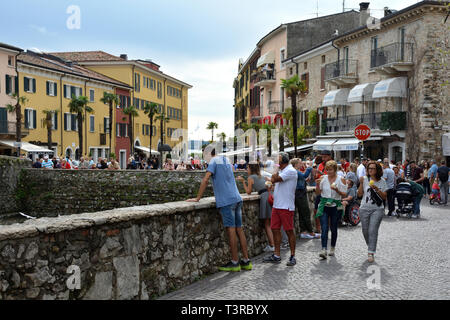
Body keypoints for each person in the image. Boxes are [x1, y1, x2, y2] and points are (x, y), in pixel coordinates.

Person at [187, 148, 252, 272]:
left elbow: (206, 180)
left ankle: (234, 262)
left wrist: (197, 198)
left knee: (231, 230)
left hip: (227, 201)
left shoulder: (213, 162)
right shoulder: (226, 160)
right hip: (237, 198)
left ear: (207, 153)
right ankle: (246, 260)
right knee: (239, 229)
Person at [263, 152, 298, 266]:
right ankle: (277, 254)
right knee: (275, 229)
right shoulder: (283, 170)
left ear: (282, 161)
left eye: (277, 161)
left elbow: (275, 179)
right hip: (277, 205)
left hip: (286, 206)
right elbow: (275, 182)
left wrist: (273, 173)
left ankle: (292, 256)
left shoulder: (290, 171)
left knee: (289, 231)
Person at [237, 162, 274, 252]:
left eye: (248, 168)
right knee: (272, 223)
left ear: (251, 169)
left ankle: (272, 245)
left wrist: (243, 182)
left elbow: (248, 191)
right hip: (271, 196)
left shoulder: (250, 177)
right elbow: (271, 186)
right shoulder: (263, 176)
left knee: (267, 224)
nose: (246, 170)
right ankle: (276, 243)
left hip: (265, 198)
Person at [315, 160, 347, 260]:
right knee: (324, 228)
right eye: (327, 170)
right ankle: (324, 249)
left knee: (333, 228)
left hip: (335, 206)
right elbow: (317, 193)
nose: (328, 172)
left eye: (330, 170)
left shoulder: (341, 179)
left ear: (335, 170)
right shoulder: (323, 179)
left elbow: (344, 194)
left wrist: (337, 190)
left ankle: (332, 247)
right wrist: (317, 185)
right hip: (324, 205)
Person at [358, 161, 387, 263]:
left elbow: (384, 196)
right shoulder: (364, 179)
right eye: (369, 168)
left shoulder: (382, 181)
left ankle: (370, 252)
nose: (370, 170)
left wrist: (376, 189)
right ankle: (371, 246)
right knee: (365, 231)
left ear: (377, 170)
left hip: (377, 209)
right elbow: (359, 194)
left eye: (372, 168)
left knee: (372, 230)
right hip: (364, 208)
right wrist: (361, 183)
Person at [290, 158, 319, 240]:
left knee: (302, 213)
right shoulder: (295, 171)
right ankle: (311, 232)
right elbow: (304, 175)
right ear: (296, 164)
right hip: (300, 194)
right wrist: (309, 167)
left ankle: (304, 232)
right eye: (300, 163)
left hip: (299, 193)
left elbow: (302, 178)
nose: (301, 164)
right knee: (305, 212)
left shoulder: (294, 171)